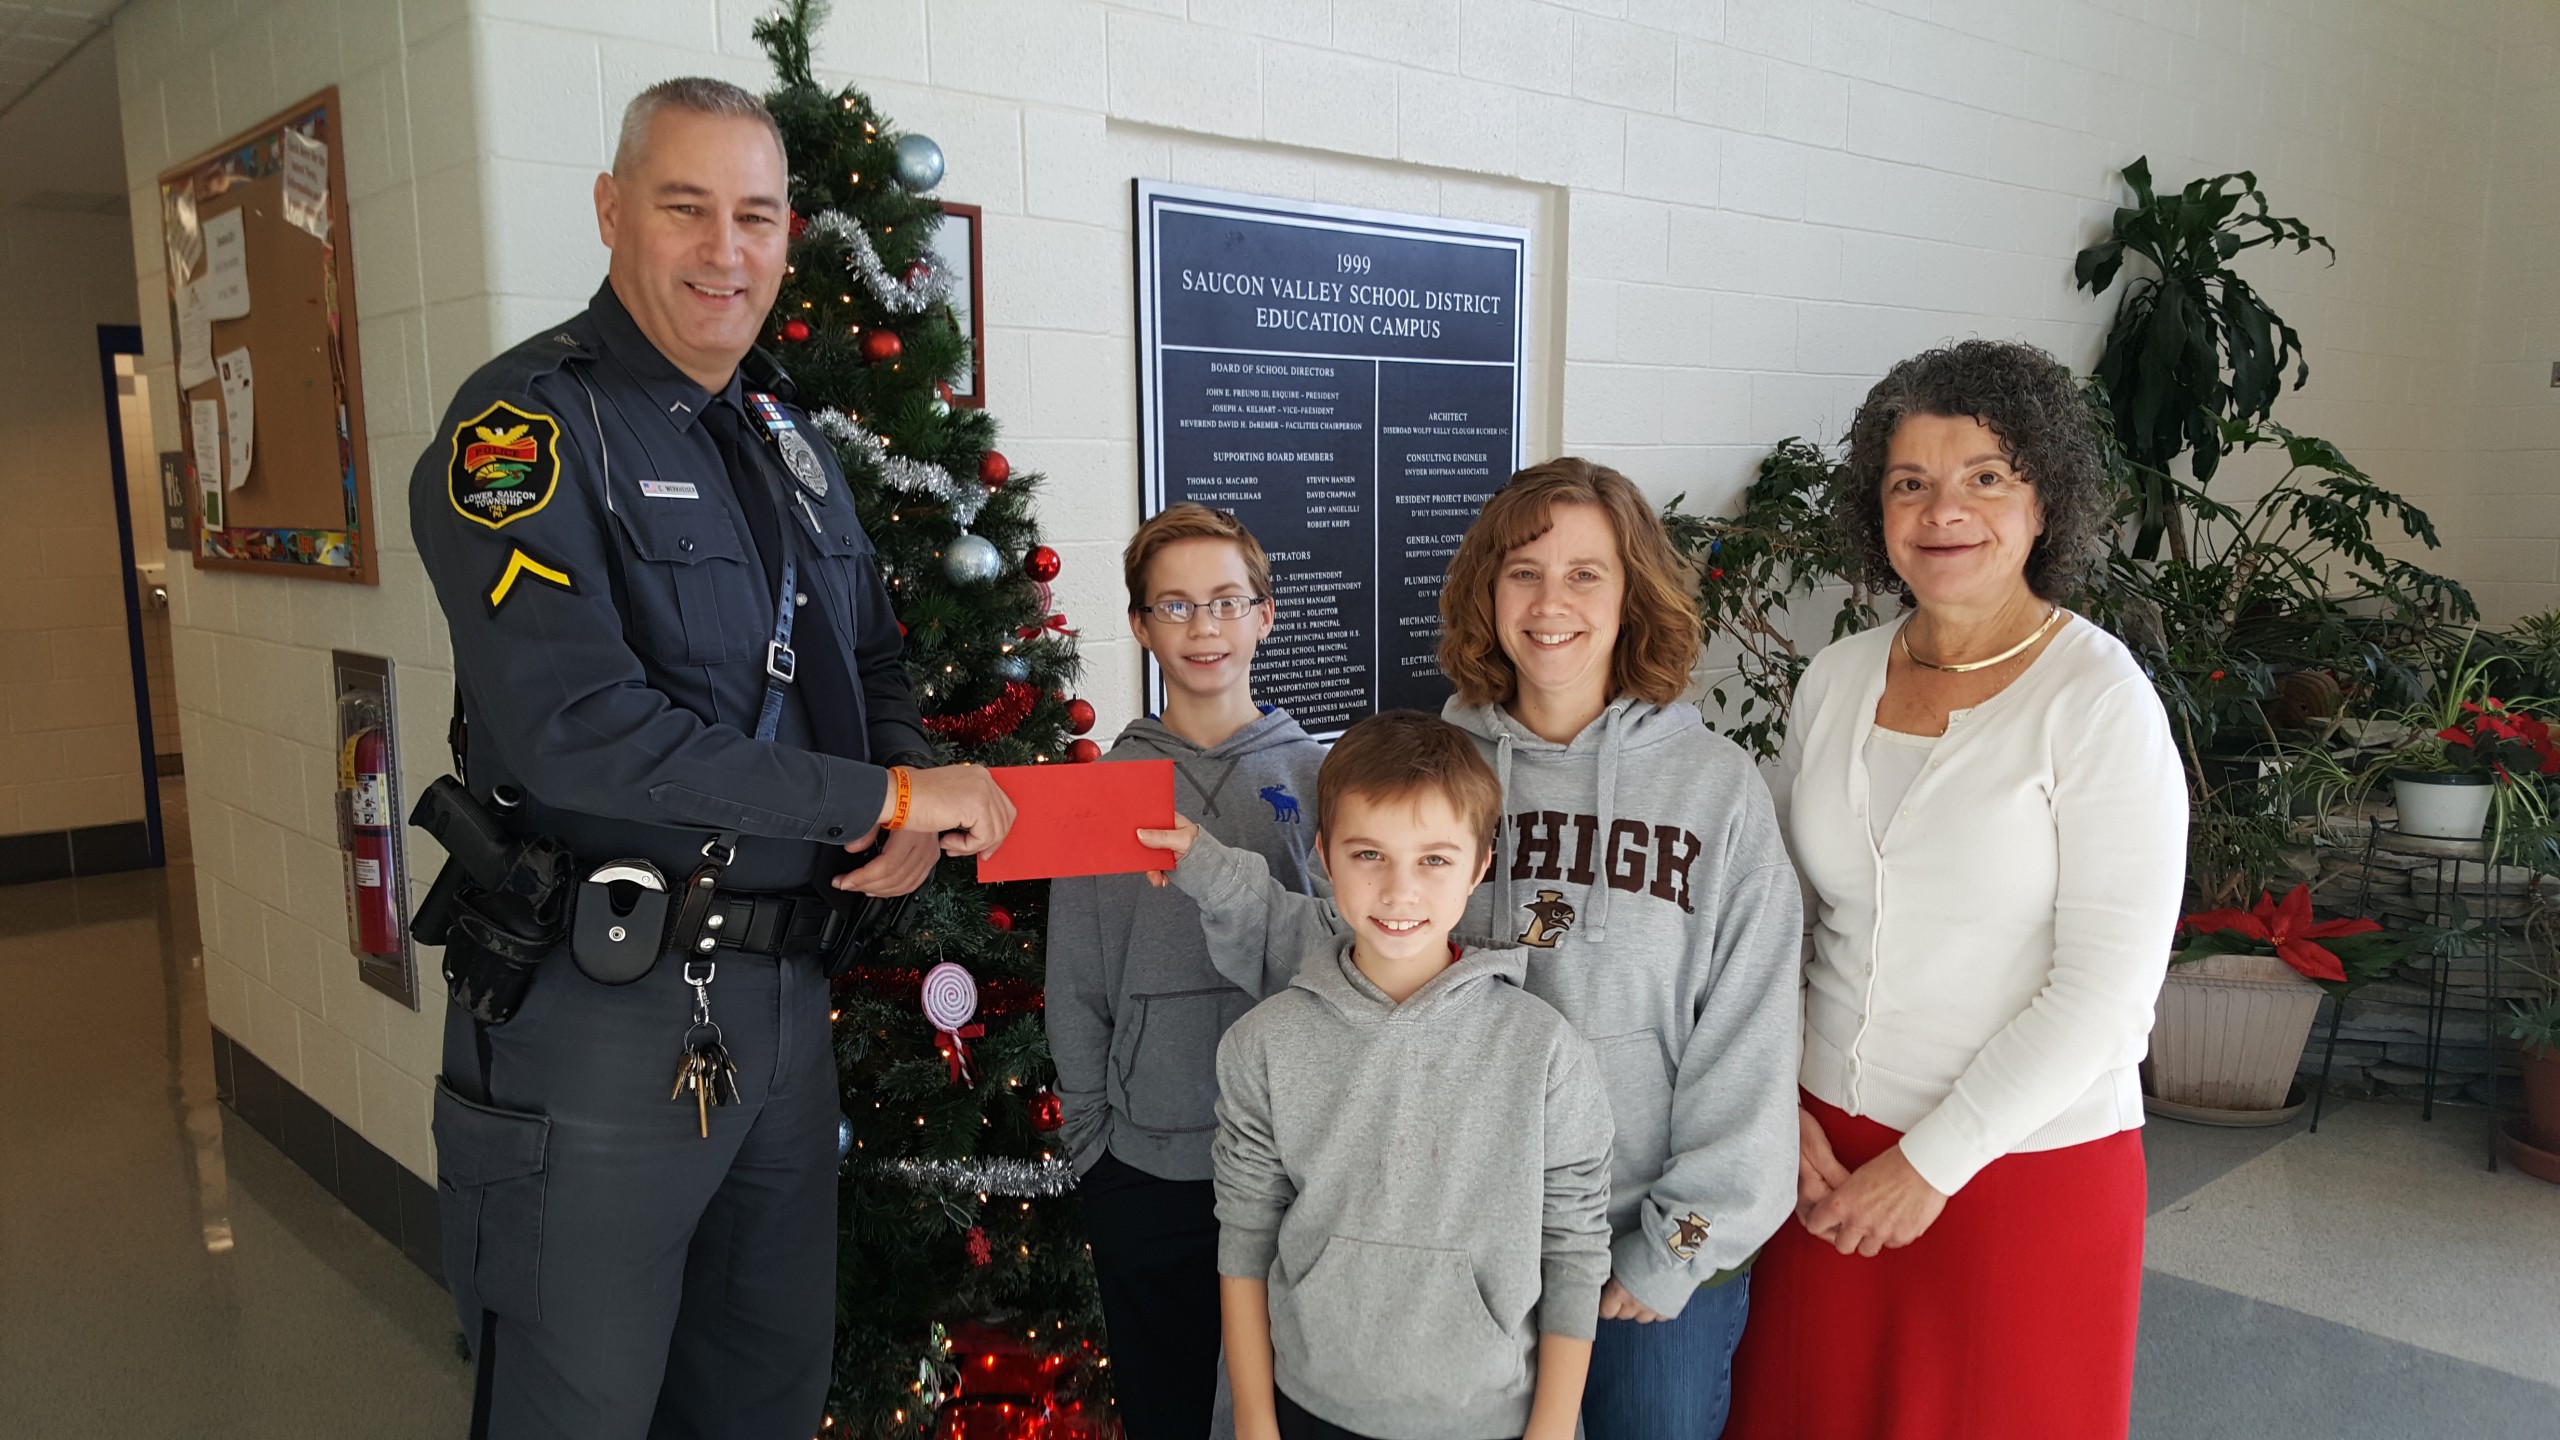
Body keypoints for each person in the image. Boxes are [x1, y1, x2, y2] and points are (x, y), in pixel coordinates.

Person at [410, 78, 1015, 1440]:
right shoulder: (523, 433)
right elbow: (584, 734)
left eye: (754, 216)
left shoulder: (793, 443)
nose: (723, 250)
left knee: (761, 1393)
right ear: (613, 210)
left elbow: (869, 660)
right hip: (597, 1011)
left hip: (784, 1005)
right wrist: (892, 792)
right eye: (685, 208)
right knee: (576, 1406)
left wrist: (904, 787)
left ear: (788, 237)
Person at [1146, 459, 1803, 1440]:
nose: (1551, 602)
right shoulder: (1441, 766)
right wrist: (1216, 873)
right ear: (1484, 594)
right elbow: (1351, 953)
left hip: (1633, 1251)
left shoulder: (1713, 791)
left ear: (1633, 594)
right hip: (1455, 1246)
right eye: (1523, 572)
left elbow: (1750, 1031)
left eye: (1586, 573)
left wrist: (1672, 1247)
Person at [1728, 341, 2187, 1438]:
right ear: (1874, 510)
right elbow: (1777, 913)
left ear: (2045, 503)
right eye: (1909, 482)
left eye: (1986, 476)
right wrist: (1775, 1103)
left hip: (2015, 1171)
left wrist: (1928, 1168)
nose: (1945, 509)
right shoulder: (1837, 677)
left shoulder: (2096, 701)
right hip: (1820, 1157)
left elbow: (2108, 997)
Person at [1207, 710, 1615, 1440]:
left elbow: (1575, 1252)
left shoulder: (1545, 1053)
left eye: (1434, 859)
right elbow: (1243, 1240)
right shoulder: (1262, 1046)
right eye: (1370, 855)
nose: (1400, 893)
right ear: (1325, 857)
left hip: (1492, 1420)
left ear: (1480, 865)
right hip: (1311, 1410)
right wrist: (1254, 1427)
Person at [1044, 504, 1327, 1439]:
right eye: (1174, 605)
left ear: (1265, 616)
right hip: (1148, 1166)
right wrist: (1095, 1147)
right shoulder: (1097, 792)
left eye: (1225, 601)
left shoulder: (1327, 777)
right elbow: (1076, 984)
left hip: (1300, 1163)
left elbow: (1353, 951)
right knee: (1167, 1411)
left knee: (1291, 1410)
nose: (1204, 627)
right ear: (1139, 626)